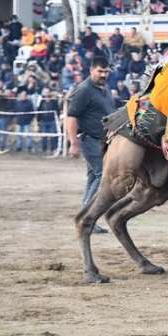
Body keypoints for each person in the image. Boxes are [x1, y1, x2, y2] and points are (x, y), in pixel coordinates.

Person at [67, 57, 115, 234]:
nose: (103, 75)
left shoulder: (106, 88)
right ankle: (87, 218)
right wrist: (73, 143)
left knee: (93, 179)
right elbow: (71, 116)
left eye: (106, 71)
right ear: (91, 71)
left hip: (102, 141)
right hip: (89, 139)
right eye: (100, 71)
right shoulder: (84, 90)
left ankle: (85, 220)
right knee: (102, 176)